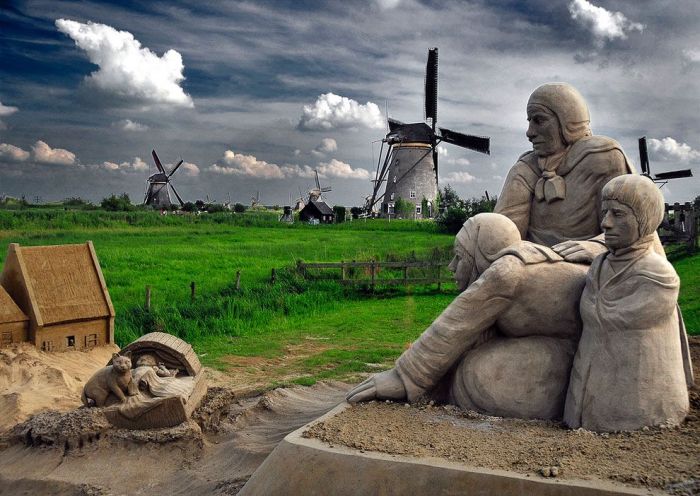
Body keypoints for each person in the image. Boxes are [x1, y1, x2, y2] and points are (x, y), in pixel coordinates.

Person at [347, 213, 588, 420]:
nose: (451, 266)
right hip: (565, 346)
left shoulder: (507, 272)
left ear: (482, 255)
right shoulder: (524, 260)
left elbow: (456, 325)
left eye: (460, 257)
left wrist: (404, 377)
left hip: (573, 356)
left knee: (475, 377)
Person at [564, 175, 690, 431]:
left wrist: (597, 308)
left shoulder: (657, 274)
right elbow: (592, 310)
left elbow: (620, 316)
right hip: (588, 376)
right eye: (605, 213)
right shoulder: (599, 265)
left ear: (644, 219)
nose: (606, 223)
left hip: (638, 392)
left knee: (630, 413)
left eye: (618, 214)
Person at [495, 83, 635, 263]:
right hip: (530, 264)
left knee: (502, 274)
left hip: (586, 267)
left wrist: (597, 246)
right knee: (481, 229)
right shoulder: (525, 170)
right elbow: (500, 236)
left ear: (568, 122)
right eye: (529, 122)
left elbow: (632, 227)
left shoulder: (603, 158)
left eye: (539, 120)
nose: (530, 133)